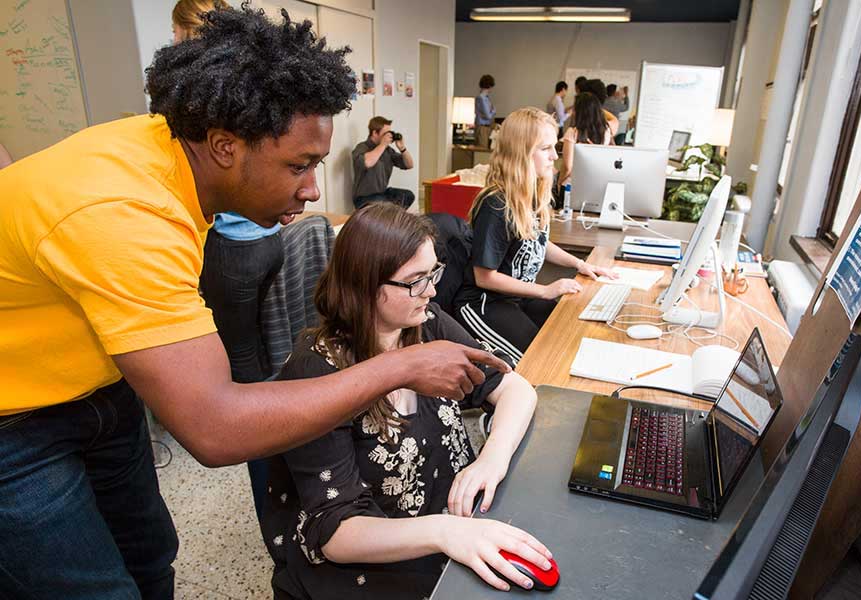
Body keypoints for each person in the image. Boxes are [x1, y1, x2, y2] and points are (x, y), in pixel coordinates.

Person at [0, 8, 508, 600]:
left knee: (149, 555)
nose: (314, 188)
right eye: (299, 165)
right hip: (14, 421)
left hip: (96, 387)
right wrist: (399, 366)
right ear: (223, 146)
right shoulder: (122, 214)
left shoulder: (170, 158)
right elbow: (214, 431)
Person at [263, 202, 548, 599]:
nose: (431, 291)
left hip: (448, 533)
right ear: (365, 284)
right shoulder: (316, 371)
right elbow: (336, 533)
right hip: (374, 561)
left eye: (434, 273)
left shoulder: (425, 322)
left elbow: (515, 388)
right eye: (416, 280)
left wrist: (491, 460)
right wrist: (445, 533)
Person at [171, 0, 280, 523]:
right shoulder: (251, 89)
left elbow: (212, 427)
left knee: (241, 380)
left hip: (234, 248)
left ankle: (272, 504)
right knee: (259, 366)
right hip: (267, 241)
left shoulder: (192, 104)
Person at [453, 108, 617, 362]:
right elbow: (484, 277)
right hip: (484, 303)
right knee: (537, 360)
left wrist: (580, 264)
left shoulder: (529, 194)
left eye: (554, 147)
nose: (554, 156)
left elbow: (538, 241)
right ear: (522, 153)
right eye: (545, 148)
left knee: (566, 327)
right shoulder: (496, 204)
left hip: (519, 296)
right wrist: (545, 290)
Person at [352, 116, 414, 210]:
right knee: (384, 204)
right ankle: (388, 219)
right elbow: (368, 162)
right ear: (375, 133)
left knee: (408, 195)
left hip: (382, 193)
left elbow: (409, 165)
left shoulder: (388, 150)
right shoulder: (362, 147)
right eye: (386, 133)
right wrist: (383, 144)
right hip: (364, 198)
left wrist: (402, 148)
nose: (389, 136)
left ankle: (391, 219)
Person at [558, 92, 613, 189]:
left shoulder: (572, 132)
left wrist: (559, 183)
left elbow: (567, 167)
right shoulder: (606, 131)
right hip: (595, 182)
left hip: (572, 184)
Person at [475, 74, 496, 147]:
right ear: (489, 86)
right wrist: (493, 110)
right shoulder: (481, 98)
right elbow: (488, 116)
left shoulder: (486, 98)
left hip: (488, 127)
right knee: (482, 150)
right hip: (483, 128)